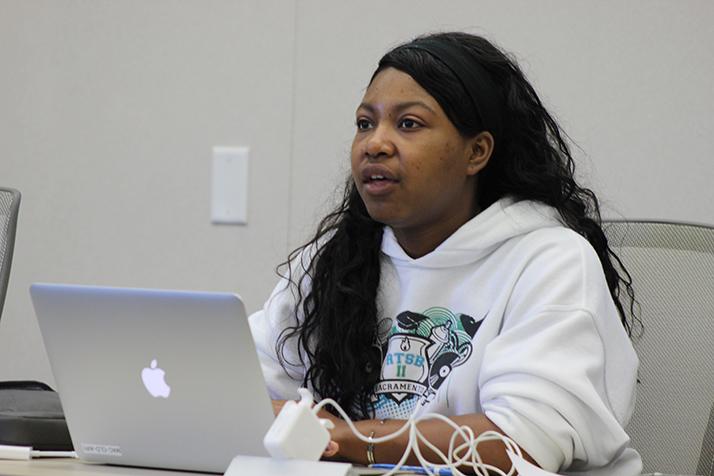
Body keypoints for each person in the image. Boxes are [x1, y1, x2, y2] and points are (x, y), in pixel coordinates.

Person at [249, 32, 642, 475]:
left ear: (476, 152)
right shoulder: (337, 259)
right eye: (365, 123)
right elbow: (241, 389)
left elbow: (523, 443)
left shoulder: (550, 260)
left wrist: (342, 437)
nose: (374, 144)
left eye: (408, 124)